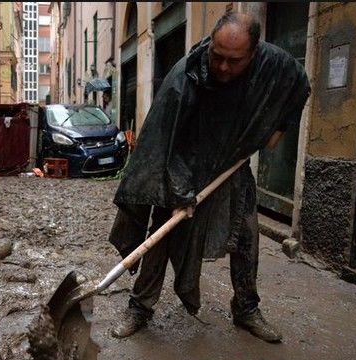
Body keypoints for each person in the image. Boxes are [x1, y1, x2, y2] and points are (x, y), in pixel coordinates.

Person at [108, 12, 310, 343]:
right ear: (211, 43)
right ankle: (139, 307)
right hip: (183, 164)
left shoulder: (273, 63)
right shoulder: (184, 78)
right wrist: (179, 193)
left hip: (232, 163)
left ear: (254, 53)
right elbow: (162, 146)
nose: (224, 68)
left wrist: (280, 126)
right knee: (162, 234)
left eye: (234, 61)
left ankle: (246, 309)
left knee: (246, 236)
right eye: (218, 57)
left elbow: (299, 83)